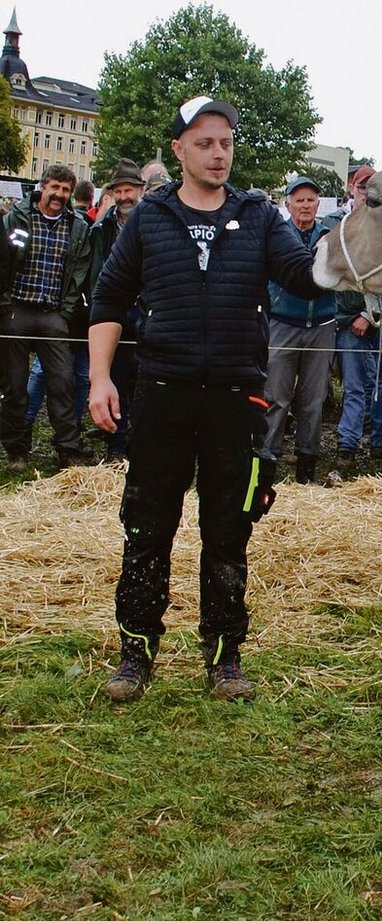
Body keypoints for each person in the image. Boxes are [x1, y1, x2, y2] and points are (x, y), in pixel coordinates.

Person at [88, 95, 325, 703]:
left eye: (225, 142)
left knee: (228, 531)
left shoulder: (259, 216)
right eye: (204, 143)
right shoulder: (148, 218)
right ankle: (135, 655)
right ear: (179, 150)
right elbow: (109, 301)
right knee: (147, 528)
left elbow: (305, 276)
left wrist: (363, 240)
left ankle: (224, 659)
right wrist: (100, 378)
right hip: (162, 395)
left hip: (234, 400)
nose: (217, 154)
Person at [0, 163, 92, 470]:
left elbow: (79, 271)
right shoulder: (17, 218)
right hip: (18, 309)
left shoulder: (76, 226)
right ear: (42, 186)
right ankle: (17, 449)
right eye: (54, 187)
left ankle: (67, 447)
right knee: (15, 385)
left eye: (66, 190)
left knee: (63, 381)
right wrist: (5, 304)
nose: (60, 195)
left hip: (53, 313)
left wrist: (66, 311)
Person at [262, 175, 337, 484]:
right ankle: (268, 458)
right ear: (288, 203)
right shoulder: (277, 235)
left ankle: (307, 464)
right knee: (276, 396)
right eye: (299, 200)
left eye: (310, 200)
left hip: (321, 325)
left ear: (318, 204)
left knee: (313, 400)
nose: (305, 205)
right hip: (283, 322)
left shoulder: (329, 237)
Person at [328, 166, 382, 473]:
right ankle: (348, 444)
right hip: (344, 319)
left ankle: (378, 442)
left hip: (378, 318)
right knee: (355, 386)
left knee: (381, 384)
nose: (366, 192)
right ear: (352, 189)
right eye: (362, 187)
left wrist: (370, 315)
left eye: (372, 187)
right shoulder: (338, 227)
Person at [85, 158, 146, 460]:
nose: (124, 197)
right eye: (119, 191)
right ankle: (116, 446)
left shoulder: (152, 221)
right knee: (115, 378)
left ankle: (140, 444)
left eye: (129, 190)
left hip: (147, 312)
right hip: (115, 312)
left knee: (145, 380)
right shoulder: (103, 227)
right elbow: (94, 269)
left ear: (141, 190)